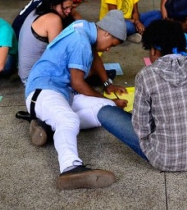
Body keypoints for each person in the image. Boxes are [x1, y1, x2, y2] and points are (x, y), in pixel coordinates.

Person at [97, 20, 187, 171]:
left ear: (154, 50)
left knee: (105, 113)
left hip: (164, 159)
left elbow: (141, 128)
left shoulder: (147, 75)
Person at [23, 10, 128, 190]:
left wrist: (107, 84)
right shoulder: (81, 41)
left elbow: (94, 56)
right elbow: (78, 83)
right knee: (68, 119)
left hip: (64, 93)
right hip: (43, 90)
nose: (109, 48)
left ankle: (46, 126)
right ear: (106, 33)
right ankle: (70, 167)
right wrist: (102, 93)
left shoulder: (85, 29)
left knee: (107, 108)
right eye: (112, 44)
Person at [18, 0, 75, 84]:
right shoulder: (53, 19)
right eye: (65, 8)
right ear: (53, 5)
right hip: (35, 79)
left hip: (27, 74)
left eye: (71, 7)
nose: (69, 11)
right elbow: (58, 56)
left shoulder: (38, 11)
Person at [12, 0, 86, 38]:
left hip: (17, 31)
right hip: (19, 37)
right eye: (69, 7)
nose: (70, 10)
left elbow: (77, 18)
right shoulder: (51, 9)